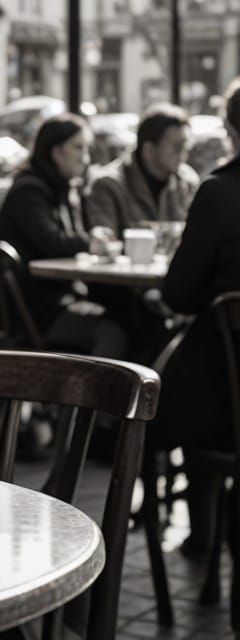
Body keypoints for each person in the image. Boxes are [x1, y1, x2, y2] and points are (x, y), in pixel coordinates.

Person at [154, 78, 240, 558]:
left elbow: (178, 294)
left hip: (225, 405)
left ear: (230, 128)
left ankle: (203, 535)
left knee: (191, 384)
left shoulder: (219, 193)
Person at [0, 113, 126, 357]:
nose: (85, 157)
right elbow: (51, 241)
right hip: (33, 312)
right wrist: (91, 242)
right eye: (78, 147)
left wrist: (89, 237)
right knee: (114, 332)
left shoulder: (59, 188)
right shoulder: (30, 190)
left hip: (49, 302)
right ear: (56, 152)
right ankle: (96, 394)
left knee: (130, 313)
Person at [86, 103, 199, 237]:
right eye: (176, 146)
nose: (183, 153)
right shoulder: (108, 185)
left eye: (186, 145)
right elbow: (105, 245)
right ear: (149, 150)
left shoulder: (188, 182)